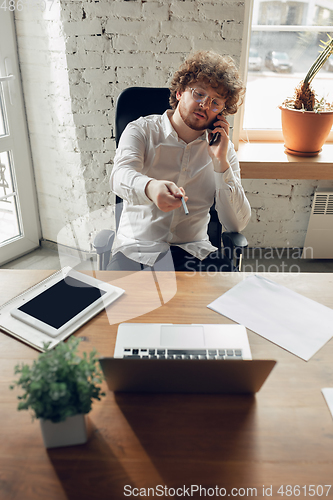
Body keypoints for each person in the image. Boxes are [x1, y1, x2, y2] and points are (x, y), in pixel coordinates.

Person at [108, 50, 251, 272]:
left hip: (195, 252)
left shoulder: (224, 150)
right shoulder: (141, 131)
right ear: (180, 92)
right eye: (199, 94)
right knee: (122, 306)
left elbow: (236, 224)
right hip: (137, 251)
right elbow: (119, 176)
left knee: (227, 303)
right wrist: (151, 187)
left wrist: (221, 163)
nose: (205, 105)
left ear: (222, 112)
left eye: (216, 102)